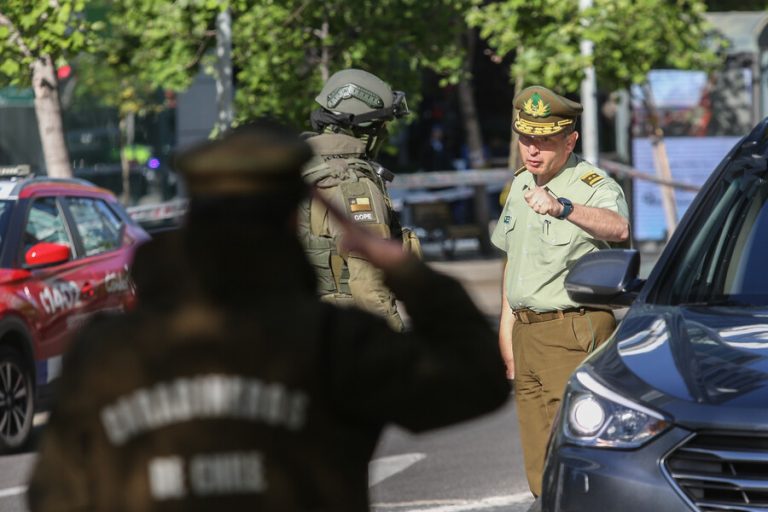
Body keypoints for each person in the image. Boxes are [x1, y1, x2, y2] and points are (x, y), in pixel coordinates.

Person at [27, 120, 509, 512]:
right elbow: (477, 377)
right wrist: (405, 270)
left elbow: (53, 496)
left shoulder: (107, 354)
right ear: (289, 219)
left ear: (193, 215)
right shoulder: (330, 344)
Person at [491, 86, 630, 497]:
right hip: (527, 332)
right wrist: (506, 330)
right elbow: (514, 262)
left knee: (578, 456)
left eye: (545, 141)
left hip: (571, 330)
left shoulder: (590, 184)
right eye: (525, 139)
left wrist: (563, 207)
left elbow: (618, 228)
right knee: (539, 462)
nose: (532, 151)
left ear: (570, 141)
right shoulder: (521, 184)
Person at [299, 68, 415, 332]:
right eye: (382, 124)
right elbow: (369, 286)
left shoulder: (299, 169)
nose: (384, 131)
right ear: (366, 128)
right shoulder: (354, 185)